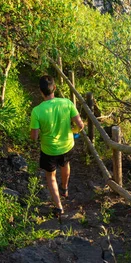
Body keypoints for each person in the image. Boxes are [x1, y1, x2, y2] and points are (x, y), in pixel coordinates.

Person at [30, 75, 84, 218]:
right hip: (67, 145)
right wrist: (74, 132)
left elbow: (34, 137)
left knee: (50, 175)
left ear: (40, 91)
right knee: (65, 164)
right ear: (54, 88)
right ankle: (65, 188)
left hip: (49, 149)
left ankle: (59, 207)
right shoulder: (66, 103)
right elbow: (80, 125)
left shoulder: (37, 111)